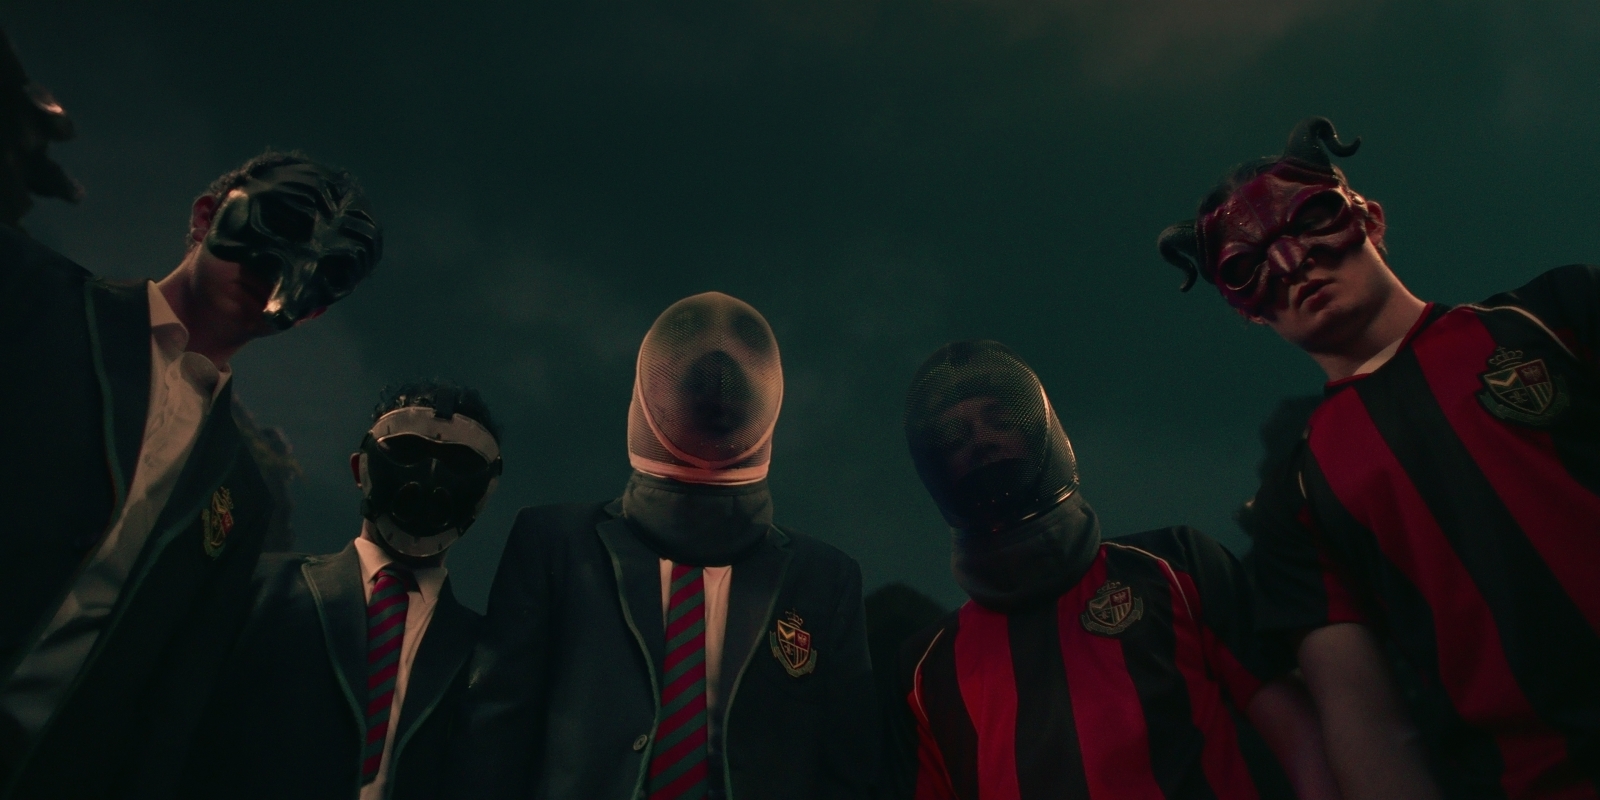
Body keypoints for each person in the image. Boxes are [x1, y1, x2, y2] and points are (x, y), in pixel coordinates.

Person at [1158, 116, 1600, 798]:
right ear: (1244, 308)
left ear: (1369, 217)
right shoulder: (1296, 497)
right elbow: (1362, 720)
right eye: (1247, 266)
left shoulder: (1558, 315)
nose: (1291, 262)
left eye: (1311, 219)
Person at [0, 150, 382, 797]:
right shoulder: (31, 294)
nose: (284, 268)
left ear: (317, 310)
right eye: (280, 222)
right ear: (207, 216)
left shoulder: (243, 493)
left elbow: (172, 697)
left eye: (328, 271)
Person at [449, 291, 878, 800]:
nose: (717, 392)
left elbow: (850, 773)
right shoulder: (555, 545)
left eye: (731, 386)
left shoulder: (824, 579)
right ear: (651, 389)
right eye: (699, 381)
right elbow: (494, 740)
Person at [886, 340, 1338, 800]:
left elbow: (1296, 731)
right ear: (936, 468)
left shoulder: (1176, 566)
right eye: (956, 438)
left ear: (1043, 431)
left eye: (1001, 421)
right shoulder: (926, 669)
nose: (982, 440)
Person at [177, 380, 499, 800]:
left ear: (483, 494)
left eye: (459, 462)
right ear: (359, 469)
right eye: (406, 451)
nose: (430, 474)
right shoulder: (259, 587)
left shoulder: (489, 656)